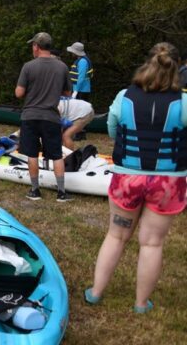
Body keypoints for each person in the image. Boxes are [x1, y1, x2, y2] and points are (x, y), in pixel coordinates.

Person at [85, 42, 187, 314]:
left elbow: (112, 130)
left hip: (127, 178)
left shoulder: (124, 96)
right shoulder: (184, 102)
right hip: (168, 183)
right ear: (177, 67)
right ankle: (141, 304)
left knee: (116, 236)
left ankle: (95, 292)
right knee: (152, 242)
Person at [16, 32, 73, 202]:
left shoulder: (28, 66)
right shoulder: (62, 66)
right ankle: (61, 192)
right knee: (56, 155)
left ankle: (35, 190)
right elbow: (68, 93)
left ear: (36, 46)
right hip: (51, 117)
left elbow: (19, 93)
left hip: (30, 115)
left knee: (32, 154)